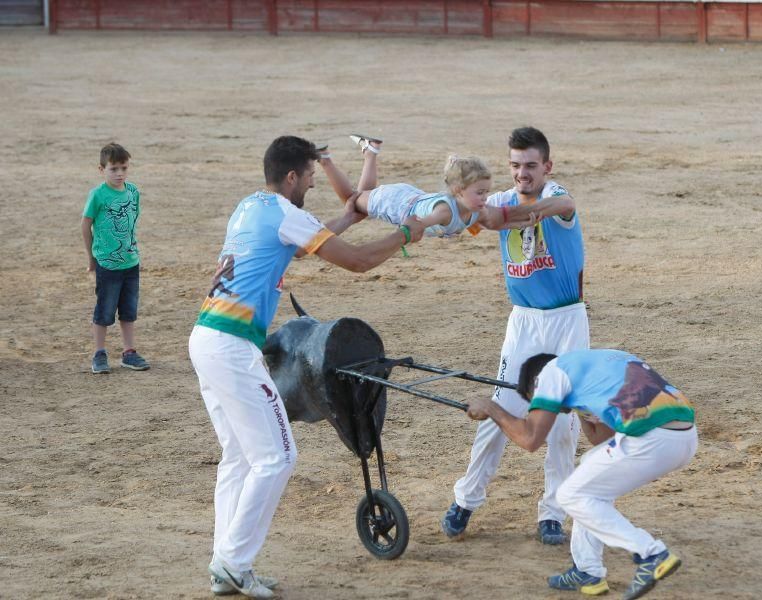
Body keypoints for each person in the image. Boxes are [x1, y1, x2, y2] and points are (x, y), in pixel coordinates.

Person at [189, 135, 425, 599]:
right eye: (312, 177)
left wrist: (346, 219)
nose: (314, 185)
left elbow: (297, 246)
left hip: (206, 338)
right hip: (233, 348)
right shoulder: (285, 213)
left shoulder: (251, 205)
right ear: (292, 176)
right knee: (277, 458)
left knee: (240, 457)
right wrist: (405, 235)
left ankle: (228, 564)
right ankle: (233, 563)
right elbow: (355, 262)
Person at [441, 126, 589, 545]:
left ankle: (553, 513)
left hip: (566, 321)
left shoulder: (557, 195)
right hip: (523, 321)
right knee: (500, 406)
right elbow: (472, 218)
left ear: (547, 166)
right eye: (515, 166)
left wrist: (509, 214)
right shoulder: (501, 199)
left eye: (530, 166)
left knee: (563, 419)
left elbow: (564, 204)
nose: (522, 173)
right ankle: (466, 499)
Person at [466, 349, 697, 599]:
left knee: (570, 495)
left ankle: (651, 554)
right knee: (589, 475)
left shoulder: (551, 373)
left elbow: (530, 439)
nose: (541, 409)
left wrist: (492, 408)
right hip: (683, 437)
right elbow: (601, 438)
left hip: (651, 439)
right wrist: (576, 407)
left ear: (536, 383)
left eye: (536, 402)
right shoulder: (603, 364)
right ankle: (587, 570)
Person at [317, 134, 535, 238]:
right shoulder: (444, 211)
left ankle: (370, 152)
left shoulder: (478, 210)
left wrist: (520, 225)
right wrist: (400, 240)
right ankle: (324, 157)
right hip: (394, 203)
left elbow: (495, 223)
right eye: (479, 192)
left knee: (358, 199)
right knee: (351, 201)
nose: (485, 197)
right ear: (459, 191)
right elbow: (417, 225)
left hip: (410, 196)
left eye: (486, 192)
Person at [81, 142, 150, 374]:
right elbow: (85, 224)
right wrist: (92, 258)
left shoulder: (133, 192)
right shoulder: (98, 195)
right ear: (102, 170)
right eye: (113, 169)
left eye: (123, 168)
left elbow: (133, 221)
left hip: (130, 261)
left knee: (129, 310)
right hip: (107, 263)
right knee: (105, 309)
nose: (119, 173)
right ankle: (99, 353)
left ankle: (129, 352)